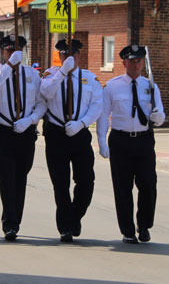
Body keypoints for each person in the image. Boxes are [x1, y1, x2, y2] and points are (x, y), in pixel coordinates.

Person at [97, 45, 165, 244]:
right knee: (122, 187)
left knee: (148, 185)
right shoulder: (112, 86)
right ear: (124, 62)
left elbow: (160, 115)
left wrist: (158, 116)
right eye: (131, 61)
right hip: (120, 140)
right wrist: (102, 140)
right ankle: (127, 230)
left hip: (143, 140)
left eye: (138, 61)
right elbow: (103, 115)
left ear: (143, 63)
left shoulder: (151, 86)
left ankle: (144, 225)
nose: (135, 65)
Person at [40, 39, 102, 242]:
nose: (69, 59)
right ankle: (65, 227)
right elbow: (46, 93)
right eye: (64, 55)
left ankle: (75, 216)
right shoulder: (51, 75)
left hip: (80, 133)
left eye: (72, 55)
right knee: (61, 183)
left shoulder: (89, 79)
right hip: (56, 133)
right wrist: (62, 72)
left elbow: (96, 106)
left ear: (79, 56)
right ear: (60, 57)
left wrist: (82, 123)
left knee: (86, 181)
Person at [0, 35, 47, 241]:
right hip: (3, 132)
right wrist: (9, 65)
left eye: (17, 51)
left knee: (20, 178)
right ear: (3, 52)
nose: (13, 54)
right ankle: (9, 223)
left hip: (25, 133)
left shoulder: (32, 75)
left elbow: (41, 104)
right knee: (6, 179)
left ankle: (15, 221)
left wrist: (30, 120)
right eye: (9, 51)